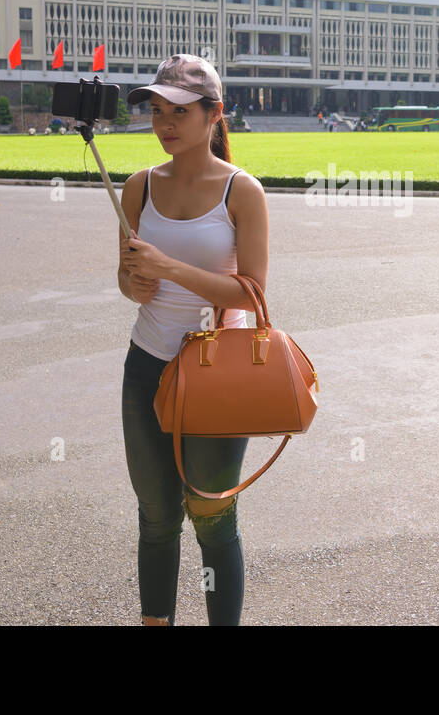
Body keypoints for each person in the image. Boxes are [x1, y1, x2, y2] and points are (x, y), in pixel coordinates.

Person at [116, 53, 270, 626]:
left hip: (217, 375)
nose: (165, 123)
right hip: (148, 366)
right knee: (156, 516)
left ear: (215, 115)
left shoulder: (241, 192)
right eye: (157, 110)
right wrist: (134, 281)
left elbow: (251, 295)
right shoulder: (136, 188)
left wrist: (170, 268)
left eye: (179, 110)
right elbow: (128, 281)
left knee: (211, 517)